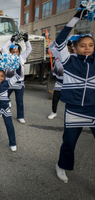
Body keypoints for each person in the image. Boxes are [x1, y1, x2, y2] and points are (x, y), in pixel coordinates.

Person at [54, 7, 95, 183]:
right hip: (74, 110)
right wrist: (75, 19)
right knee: (69, 144)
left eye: (91, 45)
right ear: (75, 48)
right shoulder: (68, 60)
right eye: (83, 46)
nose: (87, 48)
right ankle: (61, 166)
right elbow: (59, 41)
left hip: (93, 109)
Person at [0, 58, 21, 151]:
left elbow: (17, 76)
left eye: (2, 76)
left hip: (5, 108)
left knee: (9, 125)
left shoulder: (7, 83)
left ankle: (12, 143)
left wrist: (17, 65)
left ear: (4, 77)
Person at [2, 33, 32, 124]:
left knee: (19, 100)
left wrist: (26, 40)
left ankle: (20, 116)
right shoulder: (7, 57)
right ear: (10, 51)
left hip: (19, 83)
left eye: (17, 51)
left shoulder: (22, 58)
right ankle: (2, 111)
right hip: (9, 82)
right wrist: (11, 40)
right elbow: (3, 48)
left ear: (19, 52)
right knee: (4, 97)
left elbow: (29, 49)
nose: (15, 53)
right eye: (13, 51)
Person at [47, 41, 72, 119]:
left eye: (68, 48)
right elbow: (50, 47)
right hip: (59, 81)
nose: (66, 49)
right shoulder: (58, 53)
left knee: (69, 99)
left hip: (68, 82)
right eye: (65, 48)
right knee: (55, 98)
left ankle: (70, 114)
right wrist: (54, 42)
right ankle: (54, 112)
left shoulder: (72, 56)